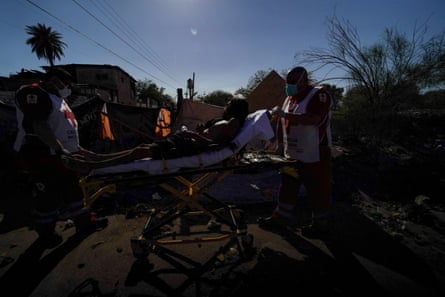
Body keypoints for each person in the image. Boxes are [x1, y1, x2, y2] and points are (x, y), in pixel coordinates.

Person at [13, 67, 108, 248]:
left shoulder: (59, 100)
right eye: (66, 84)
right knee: (49, 196)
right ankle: (46, 233)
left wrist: (79, 149)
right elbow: (39, 125)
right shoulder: (34, 93)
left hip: (63, 155)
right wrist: (59, 150)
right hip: (42, 155)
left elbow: (64, 130)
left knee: (73, 190)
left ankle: (84, 223)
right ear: (55, 80)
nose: (68, 87)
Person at [61, 98, 250, 173]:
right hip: (188, 142)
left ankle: (92, 165)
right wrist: (200, 133)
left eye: (229, 104)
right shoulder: (228, 121)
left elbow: (217, 146)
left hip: (188, 147)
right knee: (140, 150)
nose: (226, 106)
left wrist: (197, 136)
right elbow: (213, 138)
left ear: (235, 107)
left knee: (138, 152)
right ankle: (95, 158)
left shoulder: (233, 123)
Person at [258, 66, 334, 234]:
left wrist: (286, 116)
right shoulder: (290, 98)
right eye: (288, 82)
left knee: (317, 189)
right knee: (288, 186)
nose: (289, 86)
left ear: (304, 81)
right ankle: (281, 218)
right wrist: (279, 144)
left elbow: (313, 119)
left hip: (315, 153)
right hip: (292, 153)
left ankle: (321, 225)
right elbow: (281, 123)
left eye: (293, 83)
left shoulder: (319, 95)